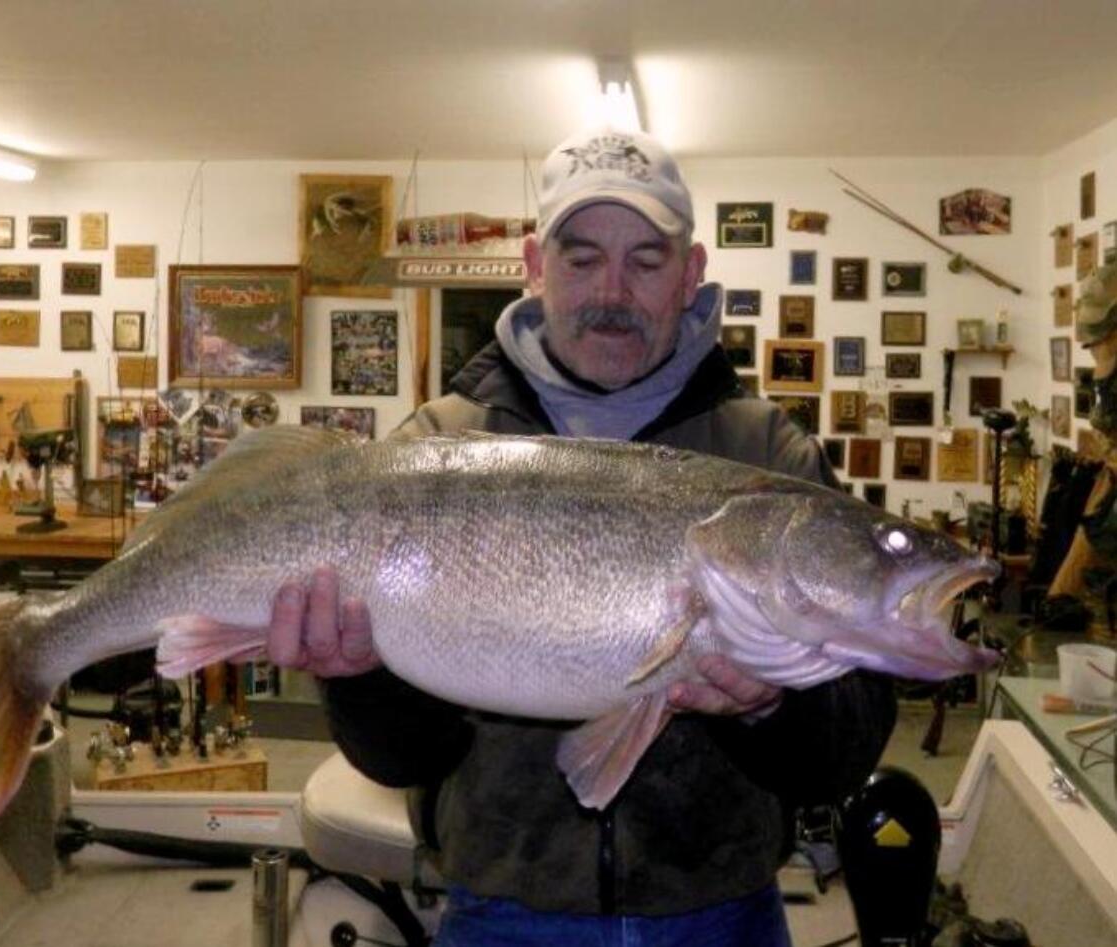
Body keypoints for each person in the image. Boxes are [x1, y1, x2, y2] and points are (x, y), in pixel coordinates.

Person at [265, 128, 896, 945]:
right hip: (502, 906)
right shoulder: (435, 449)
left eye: (646, 259)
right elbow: (400, 760)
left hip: (718, 908)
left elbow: (841, 754)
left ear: (692, 272)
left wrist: (772, 705)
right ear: (534, 263)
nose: (612, 290)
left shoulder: (769, 457)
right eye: (582, 256)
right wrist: (360, 678)